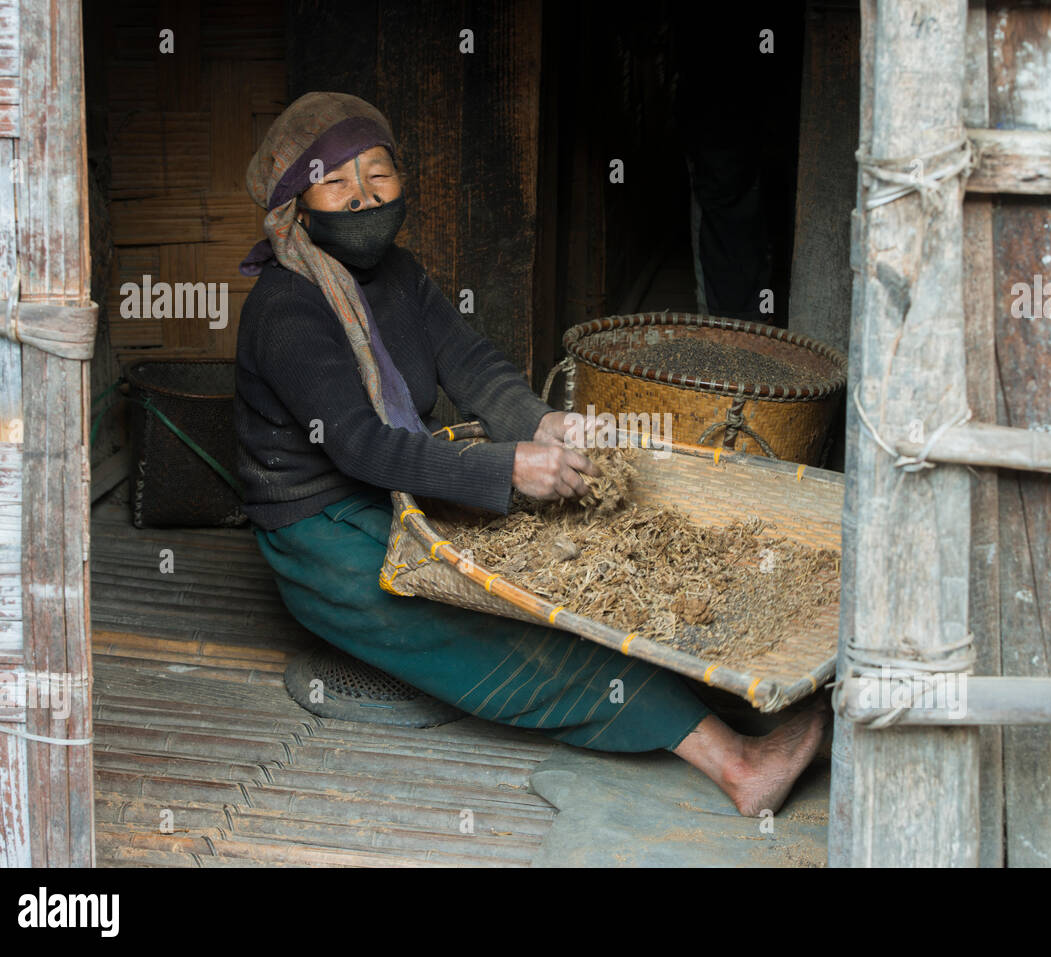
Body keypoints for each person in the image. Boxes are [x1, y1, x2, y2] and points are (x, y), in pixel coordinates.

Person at [233, 91, 827, 817]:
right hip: (324, 536)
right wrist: (509, 471)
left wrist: (544, 425)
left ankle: (715, 690)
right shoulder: (286, 308)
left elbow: (473, 366)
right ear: (298, 204)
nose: (363, 196)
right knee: (508, 627)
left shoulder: (400, 276)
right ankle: (734, 761)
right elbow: (360, 446)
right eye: (337, 181)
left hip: (400, 494)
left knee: (588, 560)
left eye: (378, 172)